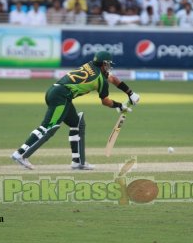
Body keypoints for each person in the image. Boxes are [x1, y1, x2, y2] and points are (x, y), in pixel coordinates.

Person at [11, 51, 140, 170]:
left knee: (76, 124)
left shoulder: (90, 65)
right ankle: (21, 154)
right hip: (61, 96)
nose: (109, 67)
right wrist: (119, 106)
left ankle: (78, 162)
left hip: (58, 93)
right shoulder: (100, 79)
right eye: (108, 64)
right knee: (49, 127)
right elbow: (105, 101)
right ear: (103, 64)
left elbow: (113, 79)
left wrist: (130, 93)